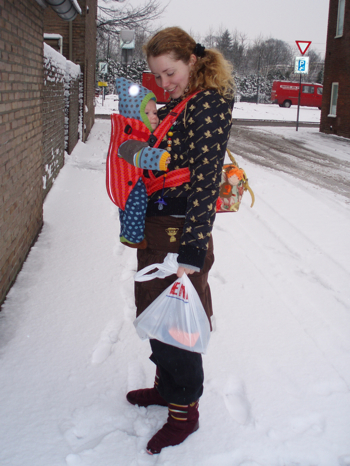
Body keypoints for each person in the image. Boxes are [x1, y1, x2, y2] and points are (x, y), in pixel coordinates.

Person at [125, 27, 235, 455]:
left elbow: (206, 181)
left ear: (192, 61)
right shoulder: (181, 103)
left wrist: (192, 249)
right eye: (157, 76)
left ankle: (183, 413)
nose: (163, 83)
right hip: (159, 225)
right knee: (157, 309)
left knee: (179, 324)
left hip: (180, 230)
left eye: (169, 72)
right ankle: (165, 387)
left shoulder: (207, 105)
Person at [115, 77, 171, 249]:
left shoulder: (138, 134)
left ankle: (127, 234)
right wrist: (160, 159)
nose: (154, 117)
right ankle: (133, 238)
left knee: (129, 209)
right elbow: (138, 155)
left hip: (130, 181)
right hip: (128, 185)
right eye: (147, 113)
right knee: (136, 205)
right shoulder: (128, 138)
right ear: (134, 115)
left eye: (154, 112)